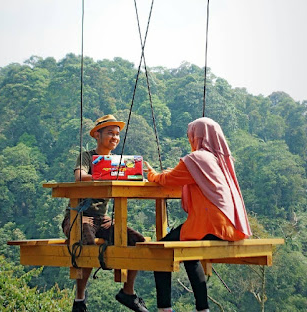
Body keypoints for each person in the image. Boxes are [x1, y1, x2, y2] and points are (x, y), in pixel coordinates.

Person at [144, 117, 252, 312]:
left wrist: (152, 175)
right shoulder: (219, 159)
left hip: (210, 225)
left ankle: (164, 308)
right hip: (228, 226)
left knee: (159, 252)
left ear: (197, 136)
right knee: (190, 255)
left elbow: (169, 179)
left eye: (190, 135)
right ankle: (203, 308)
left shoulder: (196, 159)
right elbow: (186, 176)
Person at [62, 114, 149, 312]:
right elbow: (80, 176)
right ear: (97, 136)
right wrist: (103, 175)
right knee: (87, 242)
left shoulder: (119, 162)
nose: (115, 138)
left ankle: (128, 292)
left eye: (117, 134)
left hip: (102, 219)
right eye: (110, 133)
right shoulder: (87, 156)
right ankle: (79, 299)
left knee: (137, 241)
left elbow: (130, 179)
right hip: (80, 216)